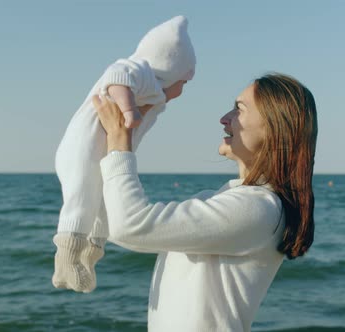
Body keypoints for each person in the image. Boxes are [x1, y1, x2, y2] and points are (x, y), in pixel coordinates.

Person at [93, 73, 318, 331]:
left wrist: (120, 143)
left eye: (239, 109)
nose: (224, 119)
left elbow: (129, 225)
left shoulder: (260, 208)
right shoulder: (226, 198)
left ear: (274, 127)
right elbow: (116, 218)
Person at [52, 15, 196, 293]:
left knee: (105, 204)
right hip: (81, 148)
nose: (183, 89)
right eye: (185, 81)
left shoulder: (154, 93)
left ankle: (90, 256)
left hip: (104, 154)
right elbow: (116, 77)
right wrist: (129, 111)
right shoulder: (138, 70)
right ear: (170, 68)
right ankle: (66, 261)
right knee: (81, 200)